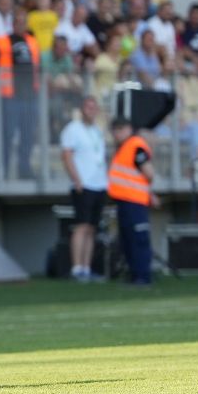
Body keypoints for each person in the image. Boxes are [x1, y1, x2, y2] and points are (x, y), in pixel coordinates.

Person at [59, 96, 108, 281]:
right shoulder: (73, 129)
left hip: (99, 184)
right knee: (82, 226)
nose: (91, 110)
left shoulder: (96, 131)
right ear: (81, 109)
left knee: (92, 228)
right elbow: (67, 155)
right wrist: (77, 179)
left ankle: (87, 267)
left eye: (94, 107)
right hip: (84, 184)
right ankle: (77, 267)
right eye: (88, 106)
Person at [0, 7, 40, 180]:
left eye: (23, 21)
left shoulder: (32, 42)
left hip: (29, 96)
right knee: (8, 135)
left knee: (28, 135)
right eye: (17, 21)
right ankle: (3, 170)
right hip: (10, 96)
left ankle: (24, 169)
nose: (20, 24)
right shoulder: (2, 42)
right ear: (12, 23)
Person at [107, 117, 155, 286]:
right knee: (127, 240)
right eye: (115, 129)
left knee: (138, 240)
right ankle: (134, 275)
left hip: (135, 202)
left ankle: (143, 276)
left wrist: (148, 193)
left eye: (121, 129)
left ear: (128, 128)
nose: (118, 133)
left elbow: (148, 173)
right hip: (124, 201)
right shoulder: (123, 148)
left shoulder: (135, 146)